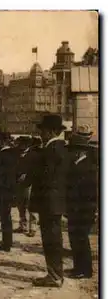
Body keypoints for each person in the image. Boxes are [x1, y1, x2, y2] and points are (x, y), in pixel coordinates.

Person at [28, 114, 69, 288]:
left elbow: (46, 177)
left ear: (51, 131)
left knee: (51, 239)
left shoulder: (51, 150)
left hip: (49, 201)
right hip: (56, 201)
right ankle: (56, 274)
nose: (41, 134)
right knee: (54, 238)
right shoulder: (61, 148)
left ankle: (54, 276)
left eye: (43, 131)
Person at [65, 126, 98, 279]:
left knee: (81, 239)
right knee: (75, 239)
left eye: (74, 149)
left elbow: (91, 192)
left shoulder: (89, 167)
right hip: (75, 208)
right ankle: (78, 267)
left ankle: (85, 270)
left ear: (80, 150)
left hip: (84, 209)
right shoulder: (77, 164)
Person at [16, 136, 41, 237]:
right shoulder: (17, 154)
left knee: (31, 206)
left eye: (22, 143)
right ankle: (23, 225)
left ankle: (33, 228)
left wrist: (26, 174)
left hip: (29, 183)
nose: (21, 146)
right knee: (20, 205)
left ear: (27, 144)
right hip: (18, 183)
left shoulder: (34, 155)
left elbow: (36, 170)